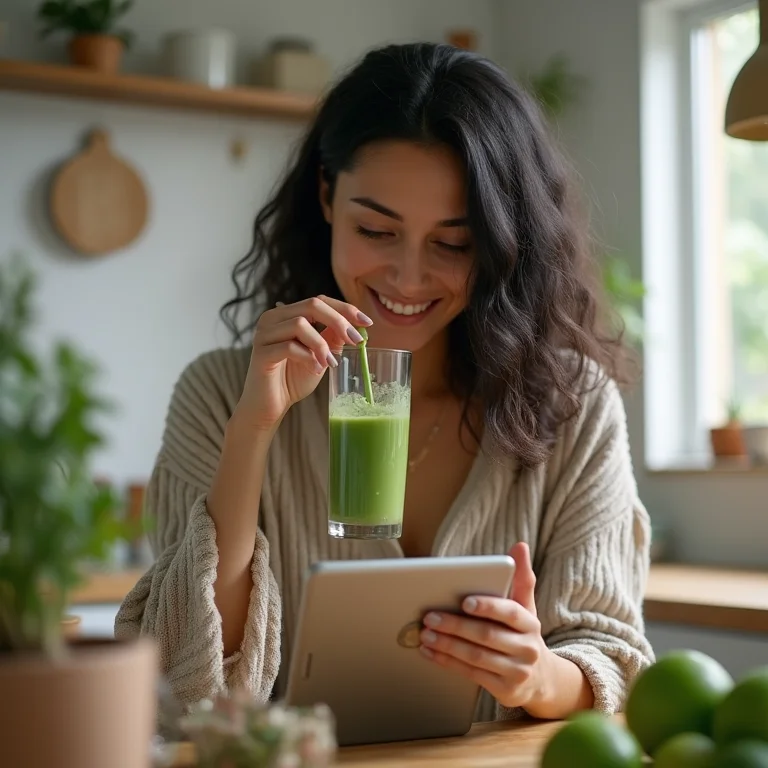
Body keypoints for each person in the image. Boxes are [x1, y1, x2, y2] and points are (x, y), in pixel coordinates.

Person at [116, 41, 654, 724]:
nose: (407, 277)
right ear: (326, 196)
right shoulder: (219, 395)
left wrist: (537, 675)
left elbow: (616, 660)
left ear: (502, 242)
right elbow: (182, 684)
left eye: (453, 243)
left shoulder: (573, 403)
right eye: (376, 229)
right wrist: (254, 430)